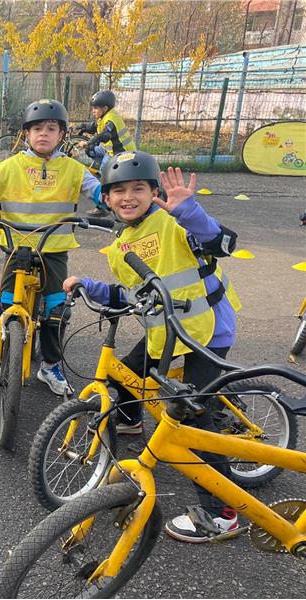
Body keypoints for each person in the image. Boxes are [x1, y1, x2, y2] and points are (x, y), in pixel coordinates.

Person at [62, 151, 242, 543]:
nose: (129, 197)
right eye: (119, 190)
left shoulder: (176, 222)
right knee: (125, 373)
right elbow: (130, 293)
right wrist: (88, 286)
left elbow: (223, 243)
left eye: (138, 188)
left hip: (206, 331)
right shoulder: (122, 241)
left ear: (154, 191)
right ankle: (132, 420)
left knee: (193, 417)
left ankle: (221, 512)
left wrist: (190, 212)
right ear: (106, 198)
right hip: (167, 333)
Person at [0, 99, 101, 396]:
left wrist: (111, 195)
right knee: (5, 305)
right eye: (37, 128)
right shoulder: (9, 167)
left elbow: (97, 190)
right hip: (16, 248)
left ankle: (50, 365)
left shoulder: (74, 169)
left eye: (51, 129)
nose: (44, 134)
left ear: (62, 135)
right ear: (26, 133)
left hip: (54, 249)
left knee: (57, 309)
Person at [77, 90, 136, 217]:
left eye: (96, 108)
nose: (93, 111)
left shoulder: (111, 119)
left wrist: (88, 142)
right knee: (91, 151)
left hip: (121, 153)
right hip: (109, 150)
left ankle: (102, 207)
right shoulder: (104, 117)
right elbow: (94, 127)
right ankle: (102, 174)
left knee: (105, 176)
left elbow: (105, 134)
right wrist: (80, 127)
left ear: (105, 108)